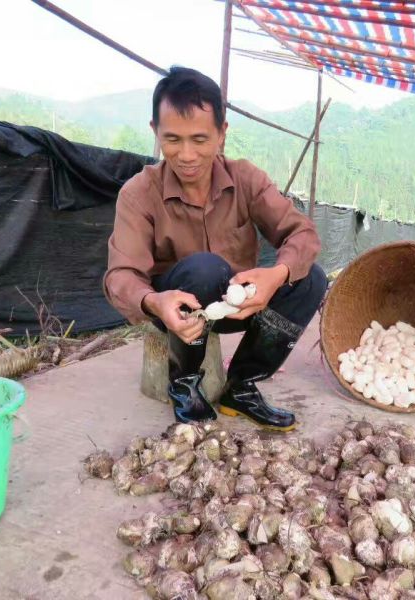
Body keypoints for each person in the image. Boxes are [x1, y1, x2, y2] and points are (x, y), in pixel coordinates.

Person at [104, 67, 327, 432]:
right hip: (175, 312)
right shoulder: (138, 193)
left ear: (222, 134)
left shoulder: (246, 179)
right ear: (155, 132)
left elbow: (302, 234)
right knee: (204, 270)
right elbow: (121, 276)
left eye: (200, 139)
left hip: (236, 305)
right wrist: (154, 301)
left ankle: (241, 386)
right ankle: (184, 384)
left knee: (310, 278)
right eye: (172, 139)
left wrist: (276, 275)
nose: (187, 154)